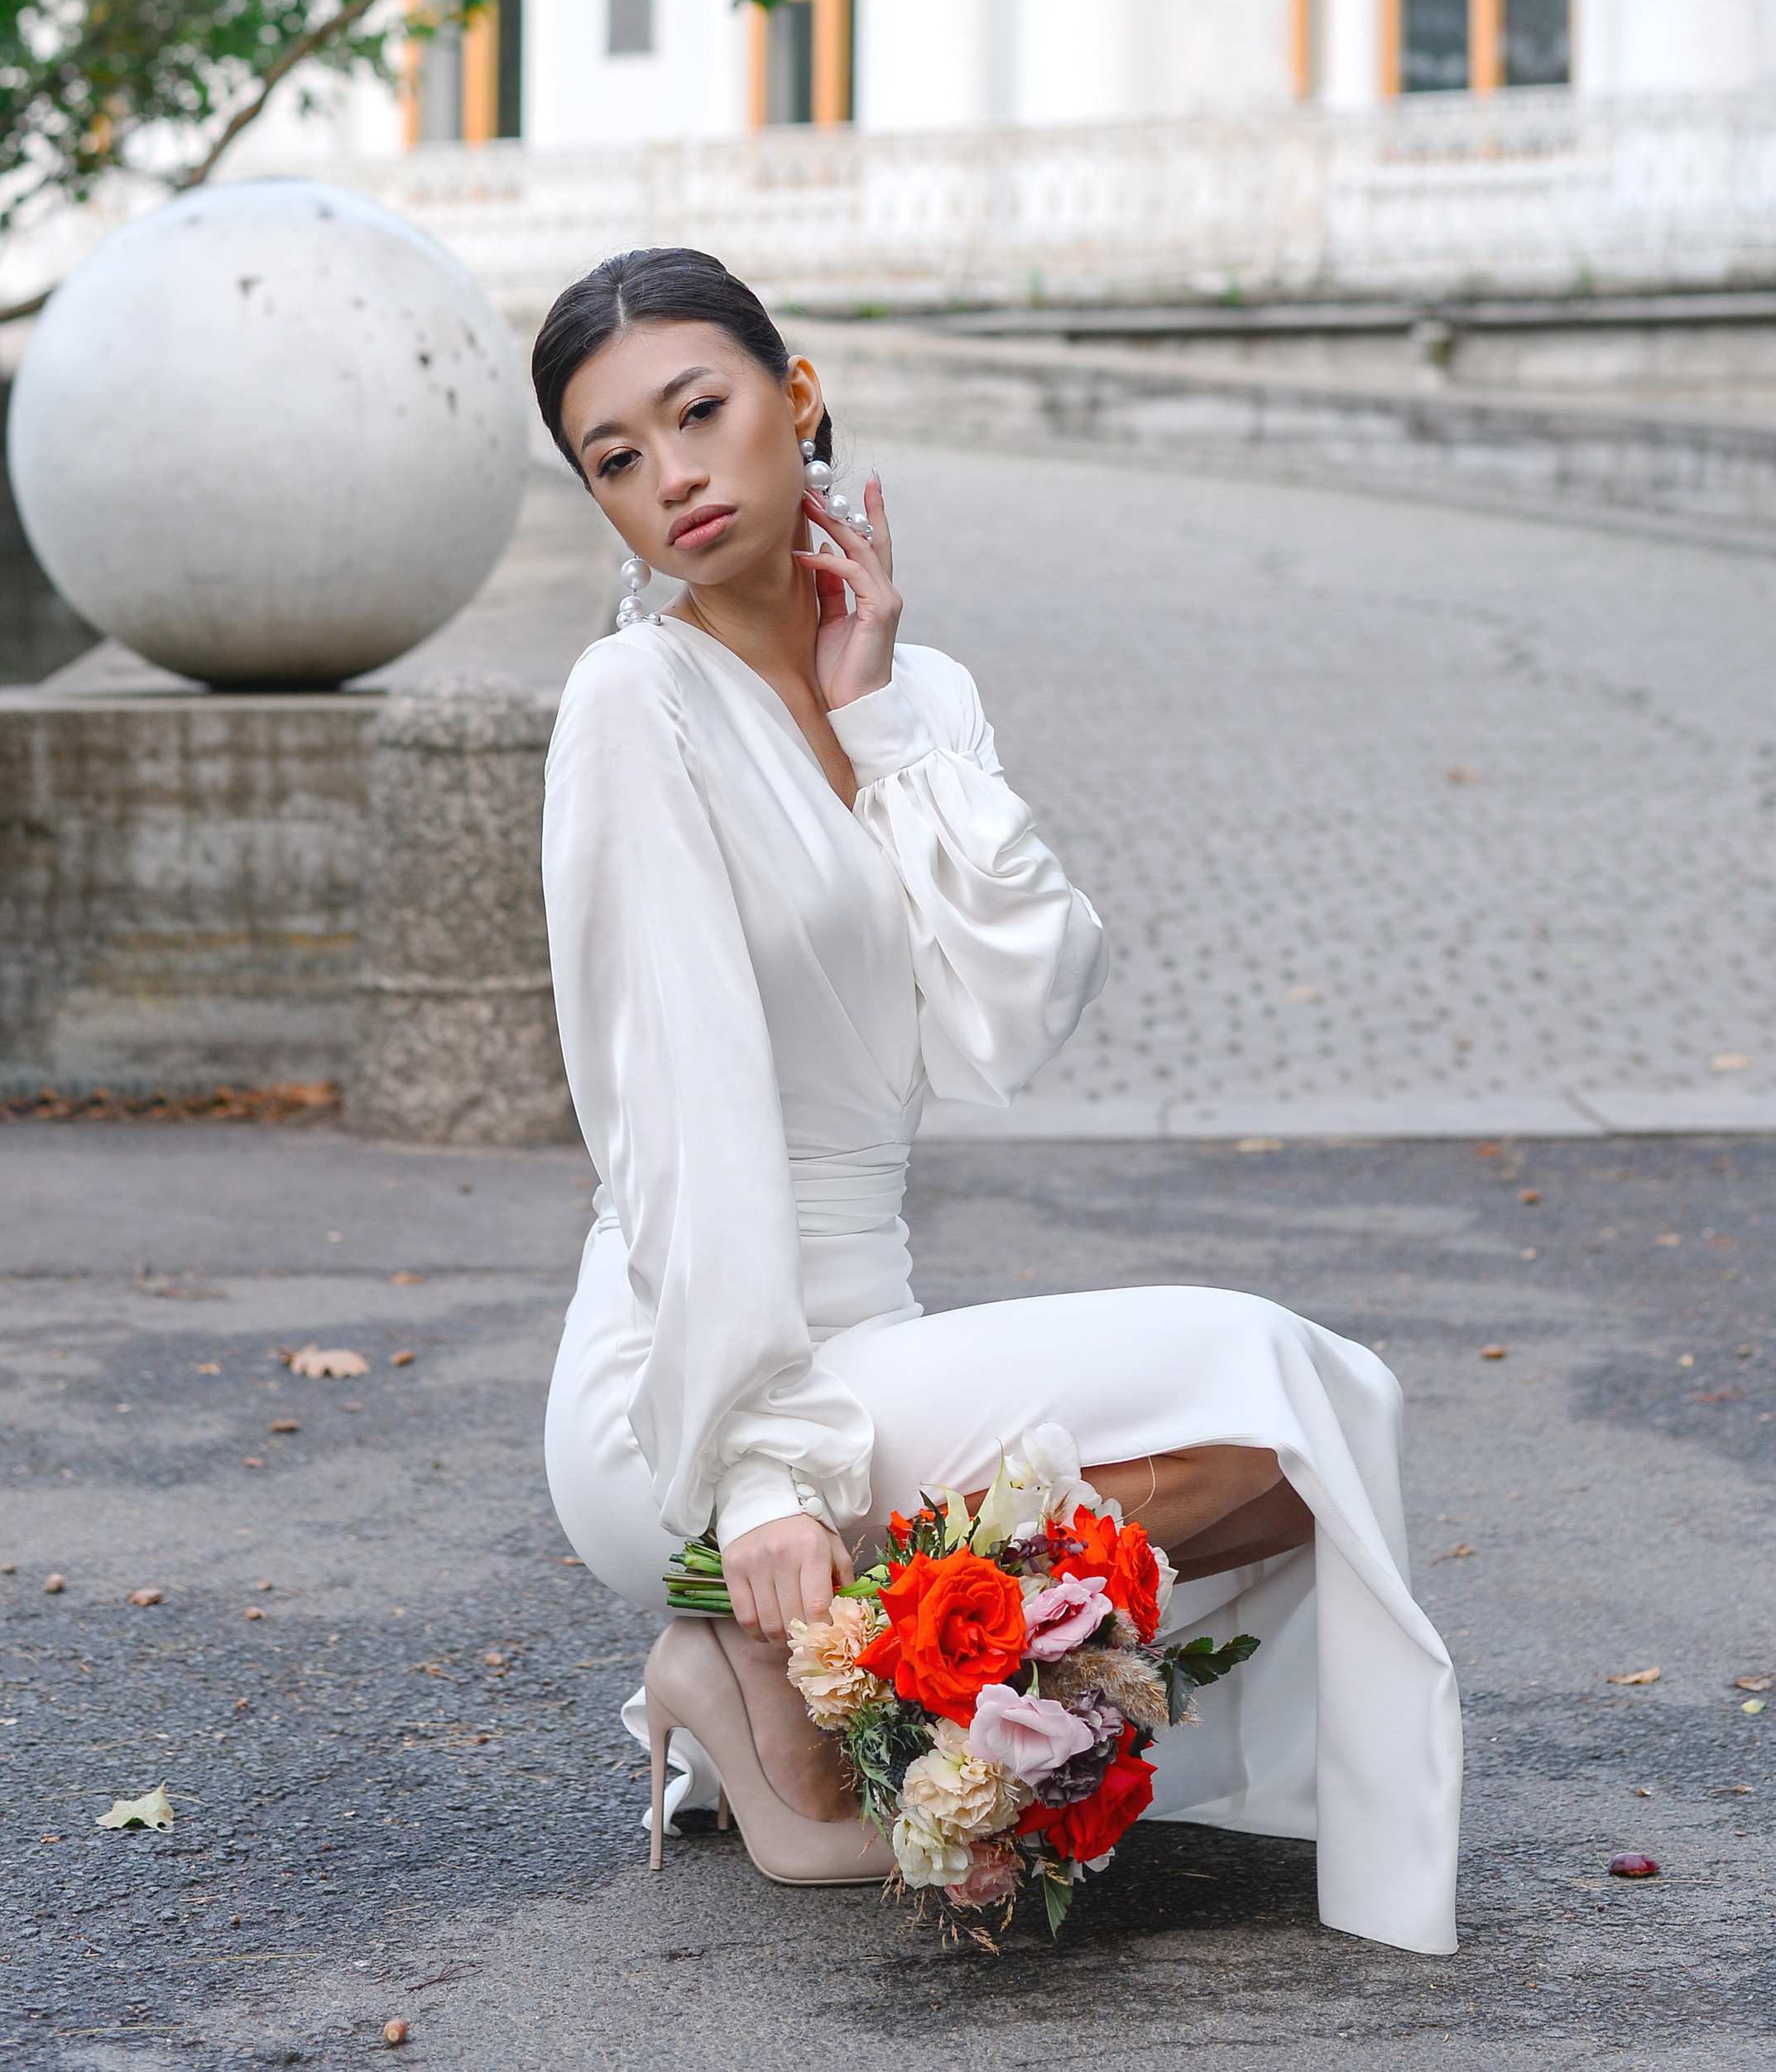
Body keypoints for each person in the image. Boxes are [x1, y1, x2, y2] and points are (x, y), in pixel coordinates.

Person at [532, 247, 1461, 1953]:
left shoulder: (920, 690)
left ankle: (807, 1667)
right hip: (687, 1373)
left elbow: (1010, 1007)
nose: (671, 474)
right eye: (615, 456)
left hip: (866, 1333)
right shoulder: (629, 702)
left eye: (699, 410)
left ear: (797, 397)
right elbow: (670, 1112)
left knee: (1322, 1434)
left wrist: (881, 716)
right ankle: (775, 1657)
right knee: (1271, 1373)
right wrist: (758, 1469)